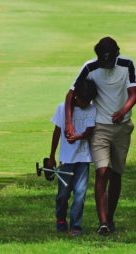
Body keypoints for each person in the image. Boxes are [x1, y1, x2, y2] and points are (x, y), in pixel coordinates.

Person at [64, 37, 136, 236]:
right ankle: (103, 222)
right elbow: (71, 94)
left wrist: (123, 111)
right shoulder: (90, 67)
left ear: (116, 55)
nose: (106, 65)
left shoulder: (127, 64)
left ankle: (110, 218)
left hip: (122, 128)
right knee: (102, 172)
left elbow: (133, 94)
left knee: (116, 174)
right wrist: (69, 123)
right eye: (103, 61)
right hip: (99, 128)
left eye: (109, 60)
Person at [49, 79, 97, 236]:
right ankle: (60, 219)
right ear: (75, 96)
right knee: (63, 194)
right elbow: (56, 132)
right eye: (83, 100)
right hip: (66, 159)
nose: (85, 104)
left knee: (80, 194)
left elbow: (89, 131)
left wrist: (77, 137)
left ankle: (76, 225)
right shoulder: (62, 109)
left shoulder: (91, 109)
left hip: (83, 158)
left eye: (88, 101)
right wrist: (51, 156)